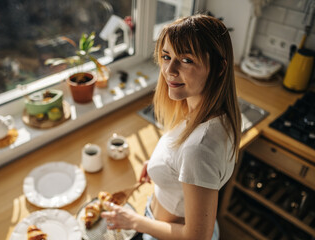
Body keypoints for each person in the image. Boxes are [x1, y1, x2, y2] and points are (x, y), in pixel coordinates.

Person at [101, 14, 241, 240]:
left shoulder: (199, 148)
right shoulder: (212, 113)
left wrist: (134, 221)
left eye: (186, 60)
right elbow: (193, 167)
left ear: (219, 67)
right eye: (166, 56)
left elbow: (196, 237)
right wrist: (161, 166)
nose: (169, 70)